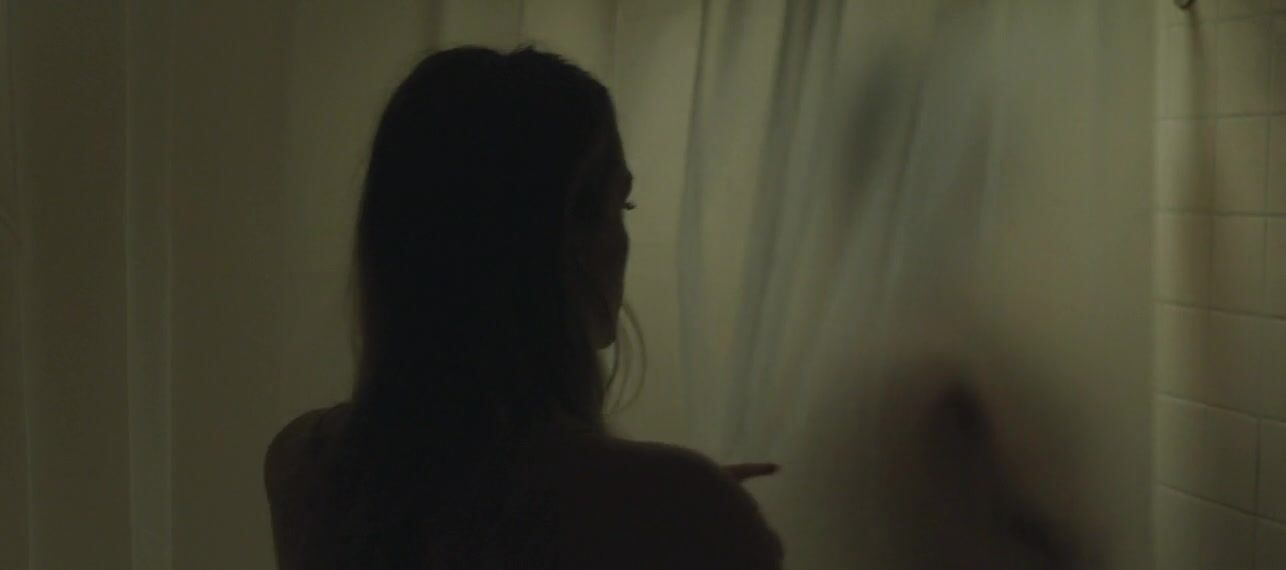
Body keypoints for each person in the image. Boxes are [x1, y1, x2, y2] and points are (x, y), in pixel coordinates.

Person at [263, 46, 784, 570]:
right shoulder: (687, 509)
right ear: (566, 229)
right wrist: (684, 512)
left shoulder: (304, 463)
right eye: (619, 205)